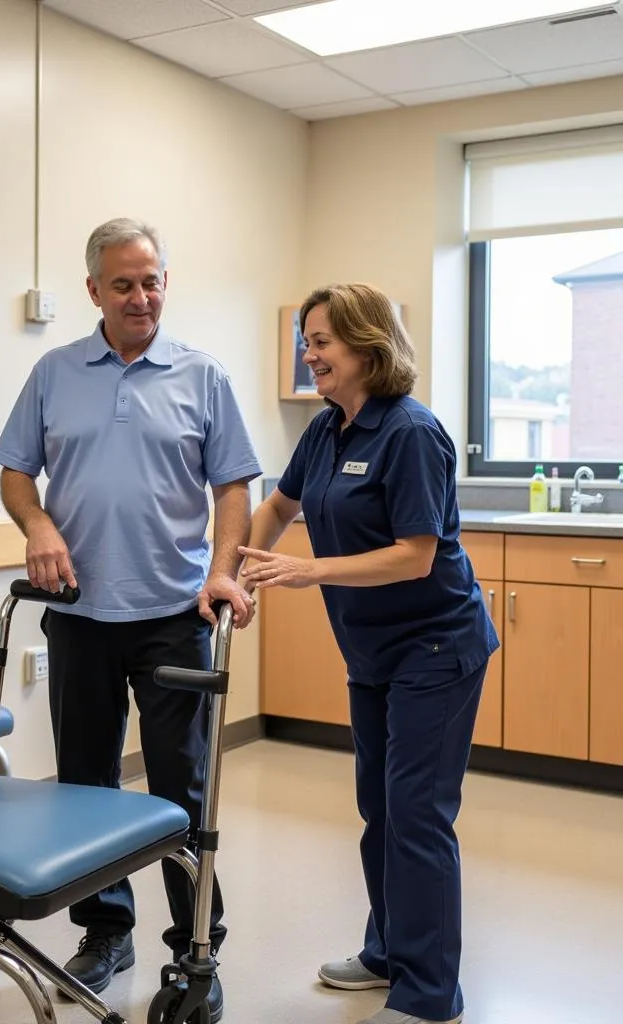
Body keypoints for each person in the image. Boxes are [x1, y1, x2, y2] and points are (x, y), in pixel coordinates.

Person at [0, 217, 261, 1022]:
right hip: (80, 616)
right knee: (85, 786)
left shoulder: (202, 375)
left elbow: (234, 488)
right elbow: (13, 474)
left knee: (182, 789)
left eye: (152, 281)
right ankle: (107, 928)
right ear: (93, 291)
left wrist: (222, 570)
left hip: (174, 613)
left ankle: (195, 945)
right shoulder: (54, 371)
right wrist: (37, 526)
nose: (141, 297)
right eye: (123, 284)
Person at [238, 283, 498, 1024]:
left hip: (437, 646)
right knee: (379, 810)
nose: (310, 354)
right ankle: (388, 952)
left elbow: (415, 556)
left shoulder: (413, 433)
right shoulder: (328, 430)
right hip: (374, 653)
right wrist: (241, 566)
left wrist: (306, 570)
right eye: (306, 341)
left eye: (322, 341)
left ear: (367, 346)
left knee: (417, 813)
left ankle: (428, 993)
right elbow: (280, 506)